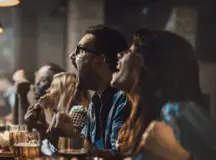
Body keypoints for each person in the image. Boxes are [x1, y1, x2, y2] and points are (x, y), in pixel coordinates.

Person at [111, 28, 216, 160]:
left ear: (151, 65)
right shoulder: (141, 115)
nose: (119, 55)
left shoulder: (179, 112)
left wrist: (183, 156)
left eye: (129, 51)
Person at [50, 25, 131, 155]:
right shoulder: (95, 101)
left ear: (99, 62)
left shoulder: (124, 100)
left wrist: (72, 140)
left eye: (79, 51)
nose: (72, 57)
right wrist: (66, 136)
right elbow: (87, 147)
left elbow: (120, 155)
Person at [25, 72, 90, 155]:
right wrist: (40, 126)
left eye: (53, 86)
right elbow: (48, 150)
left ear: (66, 91)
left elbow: (64, 150)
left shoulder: (78, 111)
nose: (47, 90)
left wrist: (41, 128)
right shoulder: (60, 114)